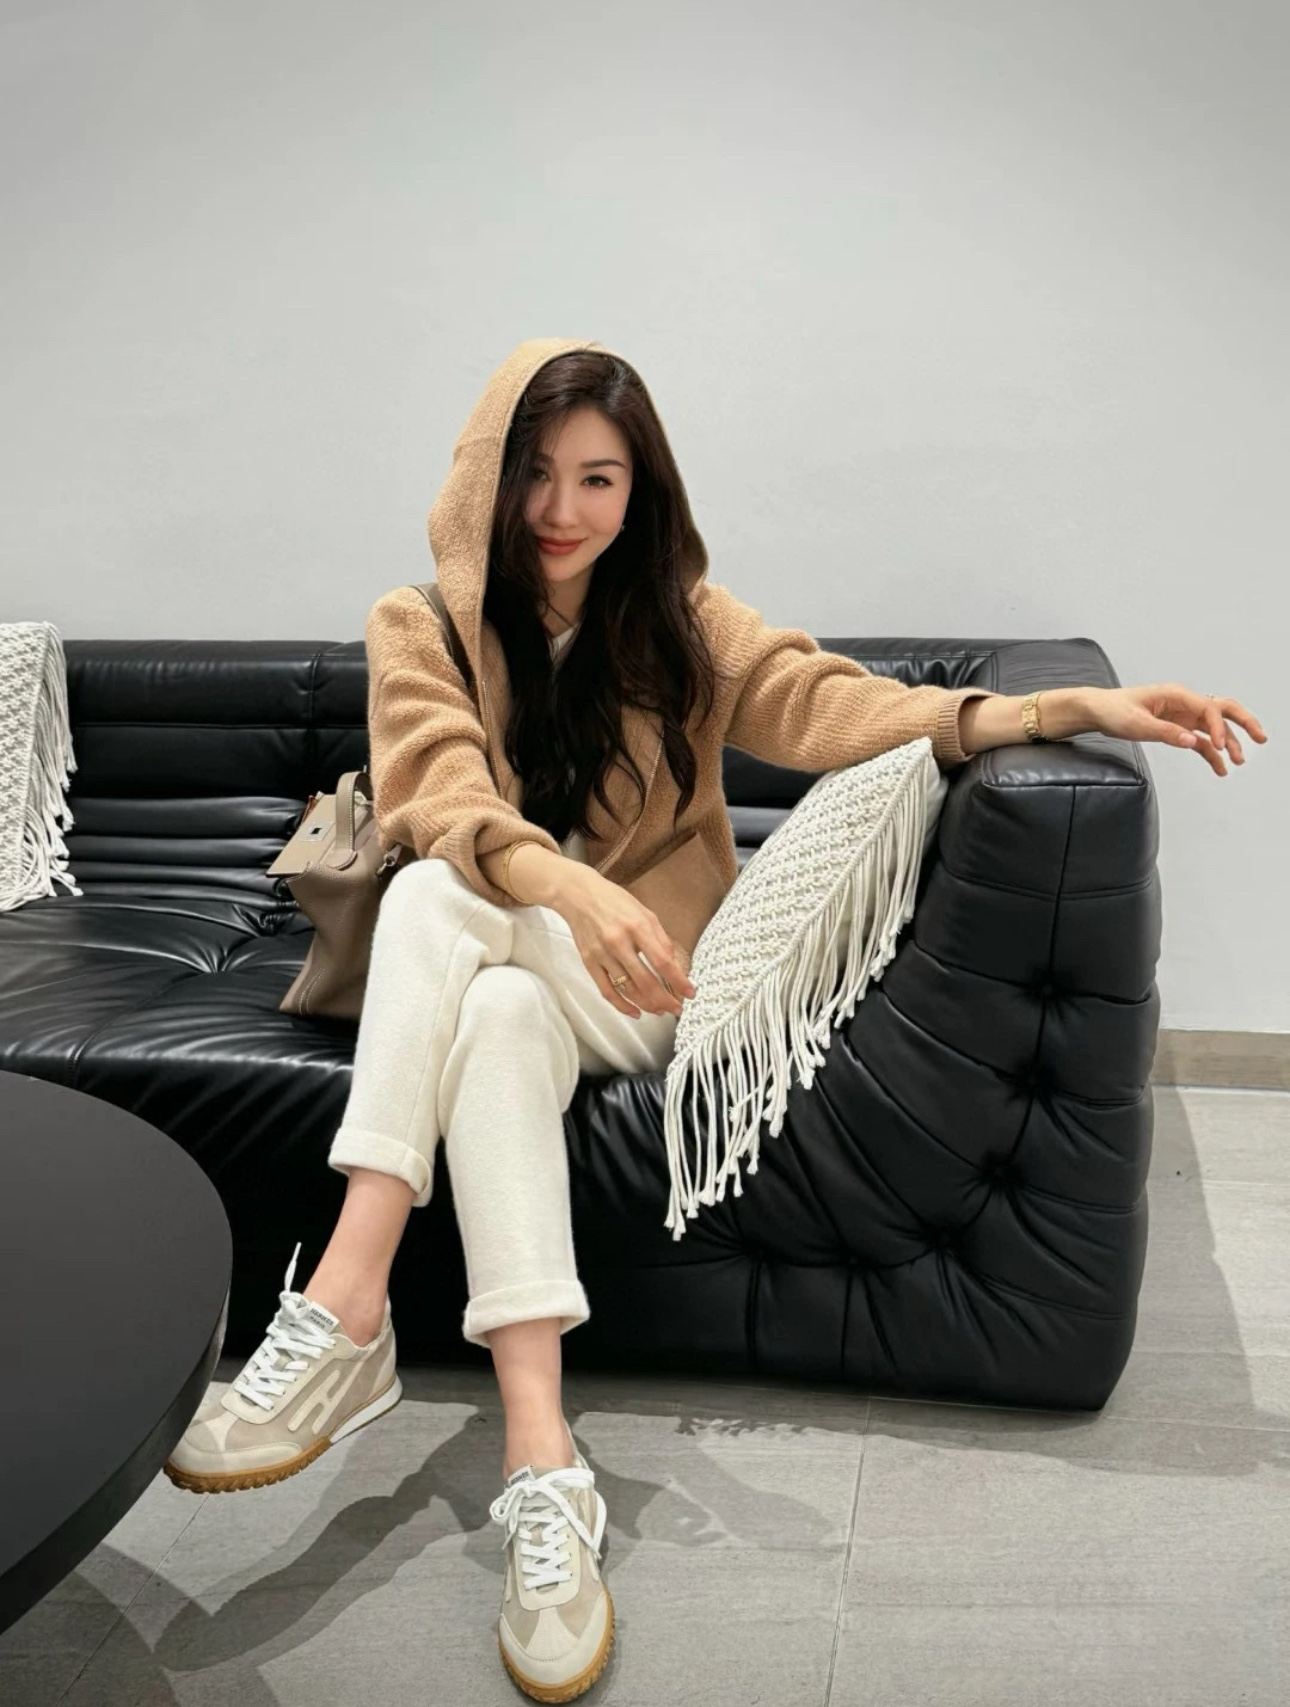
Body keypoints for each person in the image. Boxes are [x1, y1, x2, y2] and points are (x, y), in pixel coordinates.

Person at [163, 337, 1266, 1702]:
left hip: (641, 984)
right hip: (523, 967)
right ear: (484, 480)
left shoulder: (680, 623)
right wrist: (570, 889)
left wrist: (1065, 706)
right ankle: (542, 1462)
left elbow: (836, 707)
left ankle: (345, 1308)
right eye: (535, 474)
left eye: (598, 478)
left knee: (443, 908)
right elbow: (438, 797)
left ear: (640, 491)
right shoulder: (420, 625)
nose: (562, 510)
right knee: (480, 978)